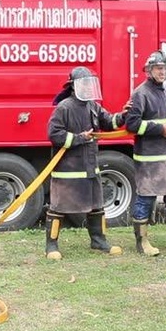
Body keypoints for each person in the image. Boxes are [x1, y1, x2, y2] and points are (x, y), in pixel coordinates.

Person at [46, 66, 128, 260]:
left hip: (90, 168)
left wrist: (124, 115)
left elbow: (108, 122)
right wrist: (79, 138)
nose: (88, 88)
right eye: (84, 84)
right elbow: (54, 134)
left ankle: (98, 241)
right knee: (58, 208)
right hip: (68, 171)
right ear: (73, 86)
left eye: (90, 84)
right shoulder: (64, 107)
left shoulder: (93, 106)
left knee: (96, 206)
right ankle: (51, 246)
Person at [125, 50, 166, 256]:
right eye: (159, 68)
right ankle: (142, 243)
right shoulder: (140, 94)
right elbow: (132, 124)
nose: (163, 72)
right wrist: (161, 129)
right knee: (145, 201)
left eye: (165, 68)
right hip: (150, 161)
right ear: (149, 71)